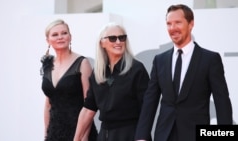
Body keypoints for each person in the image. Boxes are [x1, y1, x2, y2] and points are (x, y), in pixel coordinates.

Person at [135, 4, 233, 141]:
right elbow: (150, 101)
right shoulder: (160, 60)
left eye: (178, 23)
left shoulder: (210, 59)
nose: (172, 28)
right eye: (169, 24)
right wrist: (141, 136)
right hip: (164, 135)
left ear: (191, 24)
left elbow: (222, 102)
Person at [73, 22, 150, 141]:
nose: (118, 42)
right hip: (105, 135)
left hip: (130, 134)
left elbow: (146, 109)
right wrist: (76, 138)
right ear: (102, 42)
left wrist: (142, 137)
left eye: (122, 38)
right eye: (113, 38)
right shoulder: (98, 72)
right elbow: (89, 108)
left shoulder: (137, 69)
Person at [40, 19, 98, 141]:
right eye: (55, 35)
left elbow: (89, 105)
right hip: (55, 133)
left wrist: (84, 137)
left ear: (70, 37)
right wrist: (46, 135)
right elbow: (48, 104)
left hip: (78, 132)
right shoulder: (47, 65)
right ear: (48, 40)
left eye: (64, 33)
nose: (60, 37)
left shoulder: (82, 63)